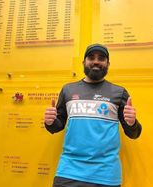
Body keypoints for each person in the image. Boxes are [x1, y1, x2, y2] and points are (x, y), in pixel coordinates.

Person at [44, 44, 142, 187]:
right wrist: (50, 121)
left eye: (101, 58)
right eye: (91, 57)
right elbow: (56, 127)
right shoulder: (68, 90)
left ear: (108, 64)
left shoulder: (119, 92)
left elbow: (134, 134)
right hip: (68, 172)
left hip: (106, 174)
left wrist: (132, 123)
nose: (96, 61)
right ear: (84, 62)